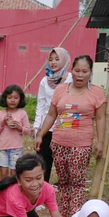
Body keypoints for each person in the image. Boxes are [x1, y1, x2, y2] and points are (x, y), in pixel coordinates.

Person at [35, 55, 106, 217]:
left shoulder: (95, 92)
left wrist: (100, 142)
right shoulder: (60, 89)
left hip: (81, 144)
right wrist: (41, 134)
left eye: (84, 71)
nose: (80, 75)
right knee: (63, 179)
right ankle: (65, 212)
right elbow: (51, 115)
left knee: (77, 181)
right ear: (71, 71)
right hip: (59, 142)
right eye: (77, 70)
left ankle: (76, 215)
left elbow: (101, 118)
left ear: (90, 73)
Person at [33, 47, 71, 182]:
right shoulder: (45, 80)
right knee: (43, 163)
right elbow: (41, 105)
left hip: (64, 127)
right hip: (46, 128)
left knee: (64, 163)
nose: (53, 62)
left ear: (65, 60)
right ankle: (41, 195)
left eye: (57, 59)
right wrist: (37, 129)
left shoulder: (70, 79)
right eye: (50, 59)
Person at [0, 85, 31, 180]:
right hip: (3, 148)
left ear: (20, 99)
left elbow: (28, 131)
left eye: (16, 97)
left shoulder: (22, 113)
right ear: (5, 99)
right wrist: (3, 122)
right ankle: (3, 193)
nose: (12, 100)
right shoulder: (1, 113)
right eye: (9, 97)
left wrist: (18, 127)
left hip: (16, 149)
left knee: (14, 175)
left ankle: (13, 193)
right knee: (3, 175)